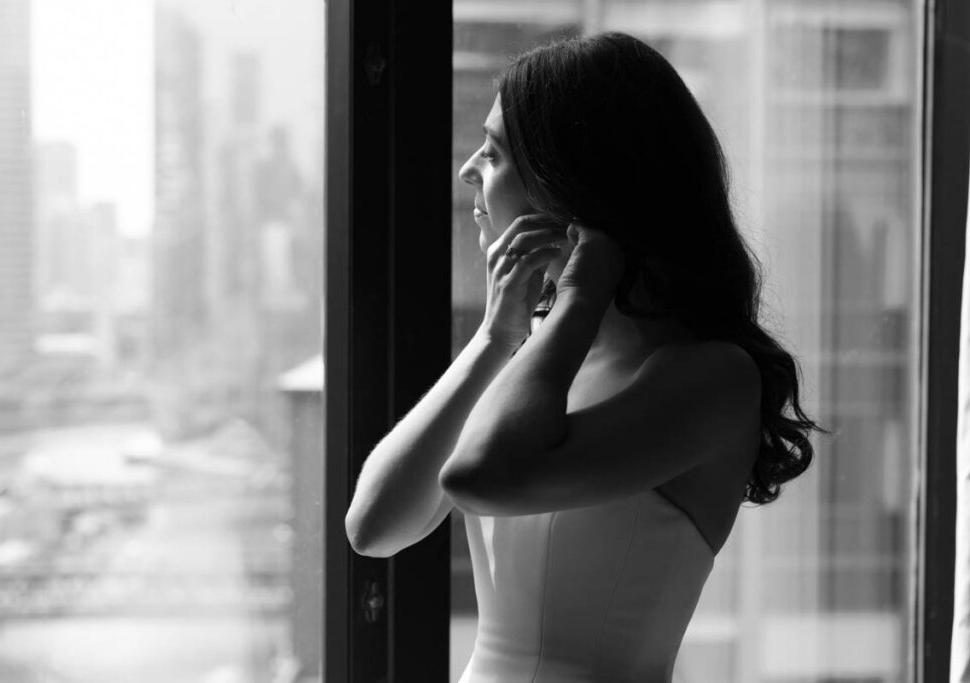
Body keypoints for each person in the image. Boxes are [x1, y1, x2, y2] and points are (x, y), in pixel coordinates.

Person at [345, 31, 829, 682]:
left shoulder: (711, 377)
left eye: (493, 152)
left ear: (566, 185)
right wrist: (495, 337)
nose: (468, 170)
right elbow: (374, 526)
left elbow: (481, 477)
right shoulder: (535, 359)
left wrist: (577, 295)